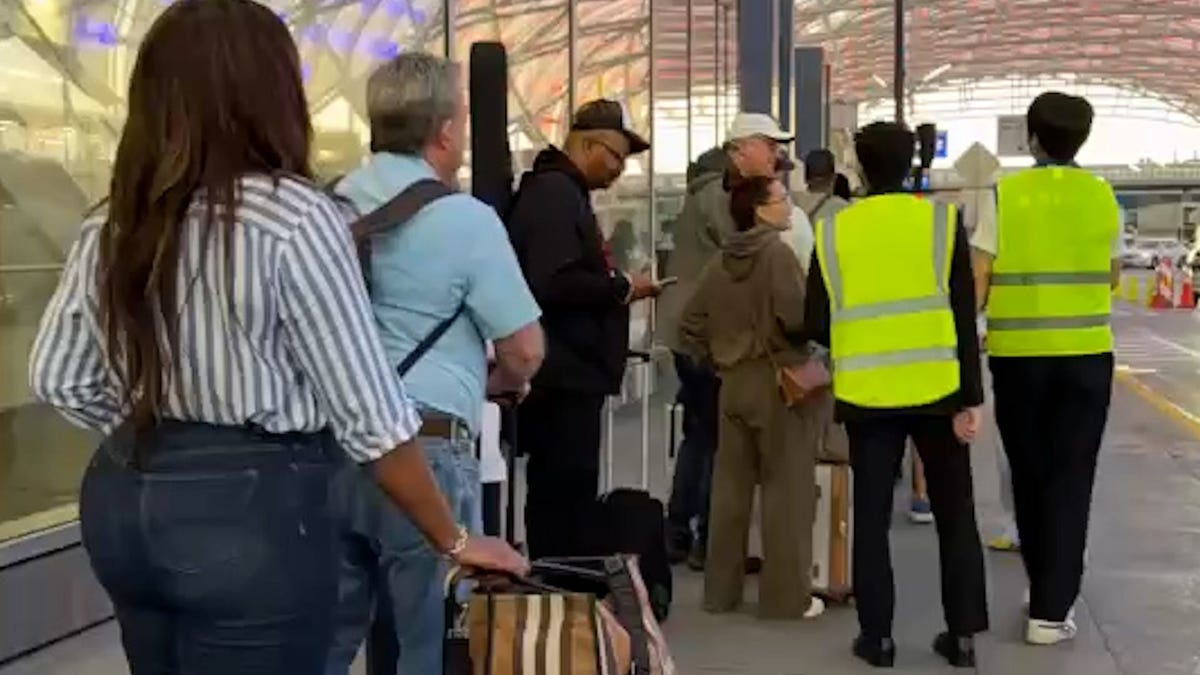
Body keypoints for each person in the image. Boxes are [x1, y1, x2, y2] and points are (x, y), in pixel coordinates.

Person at [26, 4, 526, 674]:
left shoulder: (114, 222)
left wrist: (168, 441)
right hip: (254, 510)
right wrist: (454, 535)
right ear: (271, 93)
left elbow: (59, 375)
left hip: (125, 500)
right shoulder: (294, 216)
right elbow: (370, 415)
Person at [325, 53, 544, 675]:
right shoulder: (464, 220)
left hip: (331, 448)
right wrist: (498, 381)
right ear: (445, 130)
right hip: (428, 450)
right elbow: (523, 350)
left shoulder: (325, 207)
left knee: (325, 639)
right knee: (436, 643)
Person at [804, 121, 988, 668]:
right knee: (956, 516)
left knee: (872, 519)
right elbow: (962, 314)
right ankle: (962, 638)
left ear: (858, 167)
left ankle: (878, 638)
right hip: (939, 389)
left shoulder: (835, 231)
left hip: (867, 396)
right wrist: (970, 397)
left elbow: (815, 318)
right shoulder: (941, 222)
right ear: (912, 162)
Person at [971, 91, 1119, 646]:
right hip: (1085, 358)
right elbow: (1107, 276)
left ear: (1032, 138)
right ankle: (1051, 612)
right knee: (1072, 478)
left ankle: (1041, 591)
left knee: (1030, 475)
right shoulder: (1103, 196)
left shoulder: (1004, 195)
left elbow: (979, 274)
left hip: (1018, 361)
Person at [506, 99, 659, 558]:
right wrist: (621, 287)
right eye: (615, 157)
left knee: (565, 492)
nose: (618, 170)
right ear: (589, 144)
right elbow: (552, 280)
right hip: (562, 376)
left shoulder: (562, 193)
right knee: (562, 493)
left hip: (570, 373)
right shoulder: (555, 195)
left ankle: (562, 582)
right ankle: (559, 586)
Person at [679, 175, 824, 620]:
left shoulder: (721, 261)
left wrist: (716, 358)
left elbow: (690, 323)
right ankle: (785, 599)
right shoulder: (777, 255)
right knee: (786, 490)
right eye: (781, 199)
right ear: (761, 210)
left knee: (729, 493)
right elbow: (798, 317)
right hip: (776, 381)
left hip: (731, 384)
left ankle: (720, 594)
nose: (788, 206)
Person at [659, 113, 793, 570]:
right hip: (706, 337)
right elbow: (750, 251)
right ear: (740, 150)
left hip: (691, 332)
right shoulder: (721, 197)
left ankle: (678, 531)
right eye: (768, 145)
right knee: (723, 441)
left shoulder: (709, 193)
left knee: (702, 435)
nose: (777, 155)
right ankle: (709, 542)